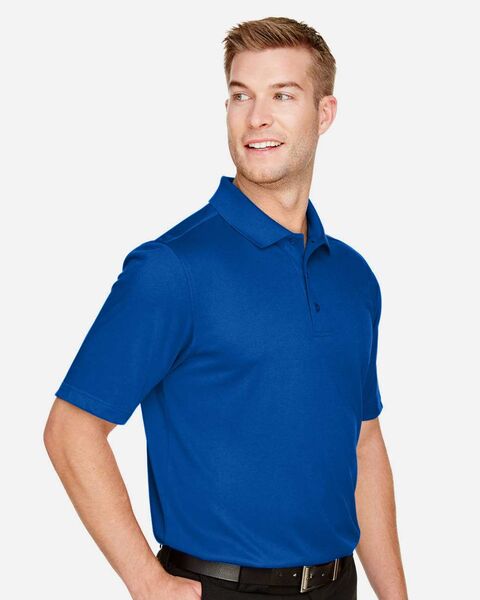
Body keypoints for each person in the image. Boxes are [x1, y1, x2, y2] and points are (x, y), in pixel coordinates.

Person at [44, 16, 408, 600]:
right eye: (241, 96)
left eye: (282, 95)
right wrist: (147, 581)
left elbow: (364, 443)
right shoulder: (173, 268)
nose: (256, 117)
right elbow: (71, 430)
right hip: (216, 589)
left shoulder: (353, 278)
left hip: (339, 585)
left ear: (324, 114)